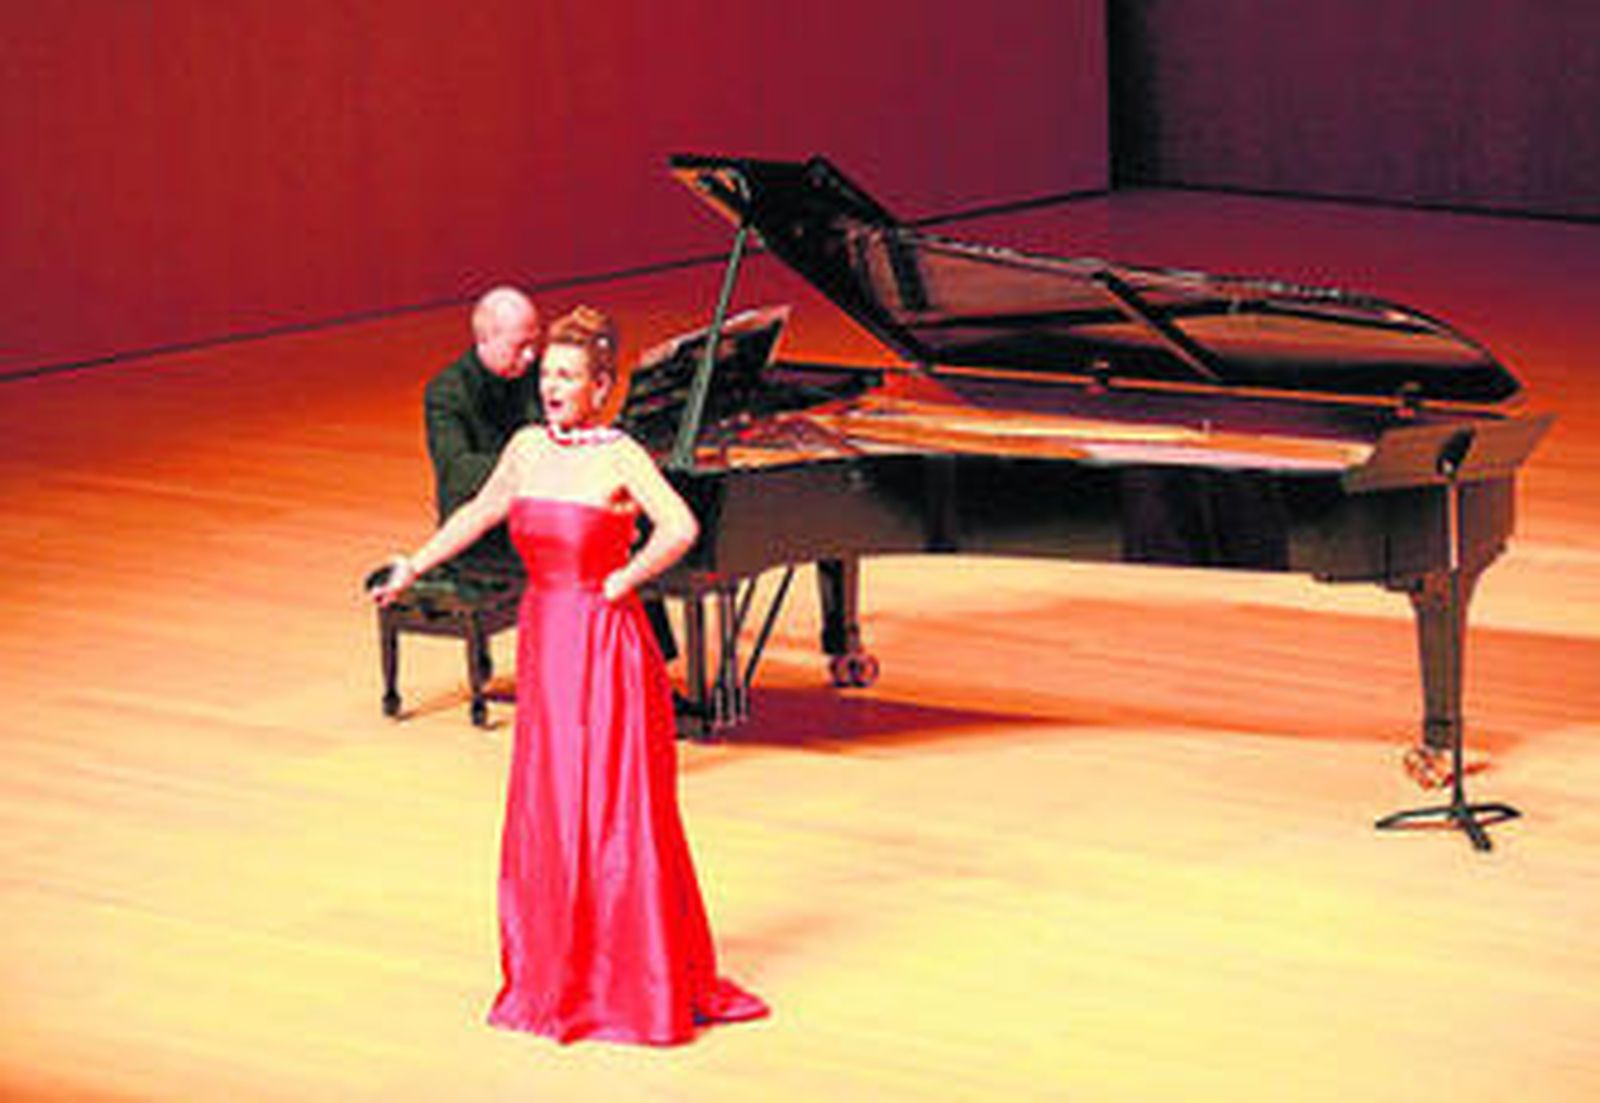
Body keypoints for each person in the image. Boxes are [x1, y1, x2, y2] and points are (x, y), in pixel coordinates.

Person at [372, 305, 767, 1045]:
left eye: (566, 376)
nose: (551, 386)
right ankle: (560, 971)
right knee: (551, 801)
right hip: (547, 637)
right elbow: (481, 511)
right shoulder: (524, 447)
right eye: (547, 373)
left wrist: (626, 578)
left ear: (600, 387)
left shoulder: (620, 455)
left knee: (615, 805)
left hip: (606, 642)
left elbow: (680, 526)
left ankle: (632, 980)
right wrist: (412, 564)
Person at [423, 285, 544, 574]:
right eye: (520, 345)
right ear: (485, 338)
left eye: (534, 344)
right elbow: (456, 470)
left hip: (533, 513)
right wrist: (528, 464)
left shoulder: (538, 374)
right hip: (479, 535)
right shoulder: (447, 392)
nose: (529, 356)